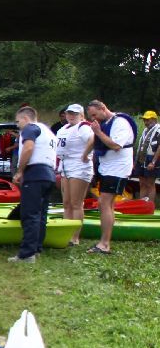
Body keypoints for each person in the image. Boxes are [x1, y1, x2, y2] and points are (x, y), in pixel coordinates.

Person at [84, 99, 137, 254]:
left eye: (95, 115)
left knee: (103, 203)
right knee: (107, 204)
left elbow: (115, 145)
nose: (93, 119)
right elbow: (97, 141)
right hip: (107, 168)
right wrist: (85, 154)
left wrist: (98, 132)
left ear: (103, 108)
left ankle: (105, 244)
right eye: (91, 116)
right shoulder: (105, 123)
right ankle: (104, 242)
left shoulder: (120, 122)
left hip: (118, 168)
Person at [10, 107, 56, 262]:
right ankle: (36, 249)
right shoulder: (48, 131)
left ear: (25, 118)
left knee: (30, 214)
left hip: (35, 173)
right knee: (41, 214)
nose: (18, 125)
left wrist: (20, 170)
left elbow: (29, 147)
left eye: (18, 121)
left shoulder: (30, 128)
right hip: (49, 174)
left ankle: (27, 253)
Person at [55, 104, 95, 245]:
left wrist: (85, 155)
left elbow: (93, 139)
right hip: (65, 165)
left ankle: (75, 237)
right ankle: (66, 233)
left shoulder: (83, 127)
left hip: (79, 166)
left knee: (76, 203)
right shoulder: (63, 129)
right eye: (69, 113)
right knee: (66, 203)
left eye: (75, 114)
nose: (71, 116)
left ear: (81, 115)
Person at [134, 110, 159, 203]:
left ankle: (150, 205)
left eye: (147, 120)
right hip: (141, 159)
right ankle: (142, 204)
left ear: (154, 119)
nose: (145, 122)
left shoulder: (158, 130)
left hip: (151, 159)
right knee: (142, 183)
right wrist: (135, 161)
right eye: (144, 120)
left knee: (150, 184)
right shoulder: (145, 130)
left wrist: (153, 162)